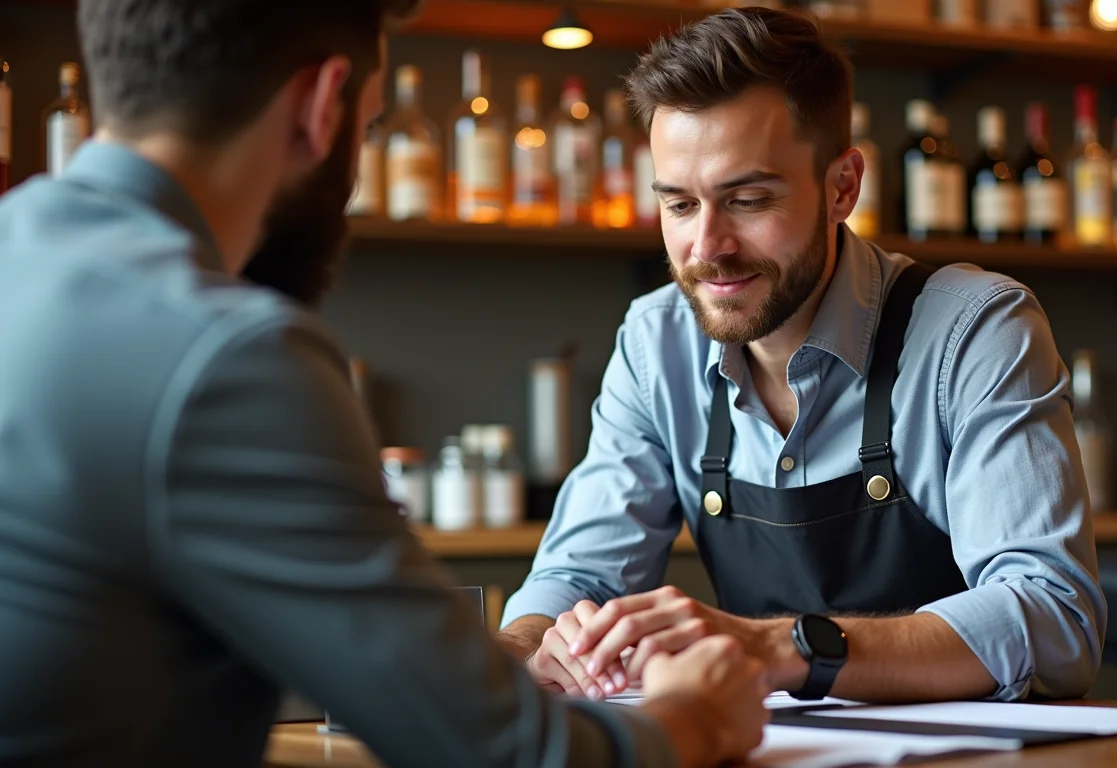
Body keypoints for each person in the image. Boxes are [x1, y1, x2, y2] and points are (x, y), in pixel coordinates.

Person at [0, 1, 771, 766]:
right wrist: (696, 713)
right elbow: (505, 755)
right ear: (322, 103)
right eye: (369, 129)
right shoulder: (227, 355)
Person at [498, 6, 1108, 706]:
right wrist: (523, 646)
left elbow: (1054, 618)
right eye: (679, 206)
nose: (707, 248)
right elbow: (583, 575)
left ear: (843, 186)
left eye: (748, 199)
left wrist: (776, 646)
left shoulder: (976, 329)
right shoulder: (654, 341)